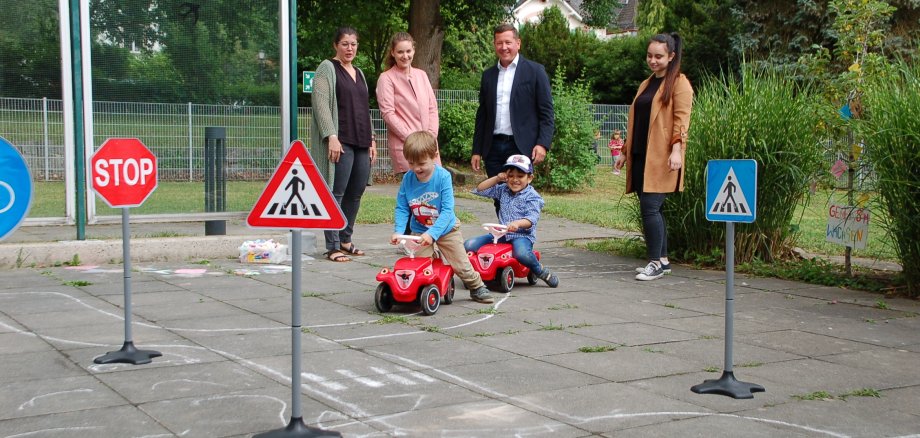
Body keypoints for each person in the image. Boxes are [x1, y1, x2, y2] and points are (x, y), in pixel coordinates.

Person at [615, 33, 693, 281]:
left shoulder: (680, 84)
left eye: (659, 56)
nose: (653, 60)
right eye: (650, 55)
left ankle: (655, 263)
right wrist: (625, 152)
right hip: (640, 156)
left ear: (671, 56)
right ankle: (664, 260)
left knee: (650, 208)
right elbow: (637, 121)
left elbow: (682, 122)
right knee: (652, 210)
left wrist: (677, 150)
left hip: (661, 157)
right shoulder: (646, 83)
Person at [391, 131, 494, 304]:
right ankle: (426, 288)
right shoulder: (408, 179)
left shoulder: (443, 177)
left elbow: (447, 211)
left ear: (434, 156)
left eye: (422, 163)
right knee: (420, 265)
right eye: (411, 163)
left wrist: (432, 234)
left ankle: (476, 286)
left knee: (460, 263)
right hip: (420, 230)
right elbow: (402, 207)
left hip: (447, 229)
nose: (416, 168)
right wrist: (399, 232)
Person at [311, 26, 377, 263]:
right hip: (341, 142)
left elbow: (364, 109)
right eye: (345, 44)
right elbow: (320, 105)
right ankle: (333, 245)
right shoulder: (326, 69)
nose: (350, 48)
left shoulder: (358, 72)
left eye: (354, 44)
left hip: (361, 141)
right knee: (335, 193)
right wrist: (331, 136)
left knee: (356, 193)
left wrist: (371, 140)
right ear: (335, 46)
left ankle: (346, 240)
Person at [471, 23, 554, 180]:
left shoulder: (535, 71)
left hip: (521, 147)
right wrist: (476, 150)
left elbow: (547, 112)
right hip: (493, 148)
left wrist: (542, 144)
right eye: (499, 43)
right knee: (498, 196)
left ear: (518, 43)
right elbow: (482, 115)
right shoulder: (488, 75)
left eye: (508, 42)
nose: (504, 47)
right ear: (494, 45)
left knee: (519, 198)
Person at [463, 154, 559, 288]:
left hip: (521, 236)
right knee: (469, 244)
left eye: (520, 176)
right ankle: (474, 273)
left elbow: (531, 219)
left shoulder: (532, 197)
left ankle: (540, 270)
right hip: (500, 234)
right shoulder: (502, 189)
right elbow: (481, 189)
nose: (515, 180)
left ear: (529, 178)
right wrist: (497, 178)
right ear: (506, 176)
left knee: (521, 254)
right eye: (511, 175)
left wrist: (517, 223)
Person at [376, 31, 440, 175]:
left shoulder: (422, 75)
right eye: (400, 52)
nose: (405, 56)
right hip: (405, 146)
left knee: (435, 192)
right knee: (414, 194)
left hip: (429, 147)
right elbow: (388, 114)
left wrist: (430, 137)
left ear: (414, 50)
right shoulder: (386, 78)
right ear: (393, 53)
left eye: (408, 51)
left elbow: (432, 108)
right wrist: (413, 140)